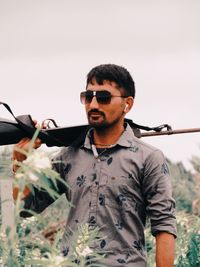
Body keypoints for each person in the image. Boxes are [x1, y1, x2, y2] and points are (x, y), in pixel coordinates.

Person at [12, 64, 176, 267]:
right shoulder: (68, 156)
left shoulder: (148, 158)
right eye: (88, 97)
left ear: (128, 103)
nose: (94, 104)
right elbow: (26, 208)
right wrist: (20, 163)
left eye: (104, 97)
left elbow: (165, 226)